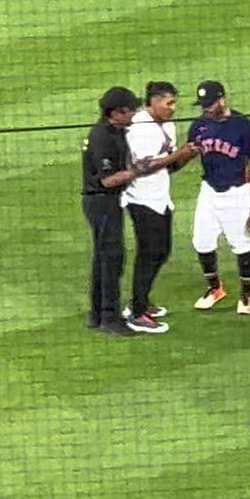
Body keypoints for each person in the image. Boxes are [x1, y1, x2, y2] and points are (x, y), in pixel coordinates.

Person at [121, 82, 198, 334]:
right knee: (149, 253)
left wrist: (190, 153)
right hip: (140, 199)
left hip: (160, 198)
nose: (173, 108)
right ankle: (137, 313)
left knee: (161, 251)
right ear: (153, 102)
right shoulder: (140, 127)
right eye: (169, 103)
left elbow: (170, 167)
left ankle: (139, 301)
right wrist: (179, 154)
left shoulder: (167, 125)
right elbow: (144, 166)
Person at [187, 80, 250, 315]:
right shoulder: (198, 125)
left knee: (241, 244)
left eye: (210, 104)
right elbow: (190, 151)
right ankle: (215, 289)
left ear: (222, 99)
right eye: (203, 105)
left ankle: (246, 294)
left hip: (238, 193)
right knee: (201, 242)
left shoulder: (243, 126)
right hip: (209, 191)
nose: (206, 109)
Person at [81, 87, 142, 337]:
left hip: (102, 202)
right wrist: (137, 171)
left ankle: (96, 314)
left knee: (102, 257)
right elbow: (107, 180)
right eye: (129, 110)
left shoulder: (112, 131)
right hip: (102, 202)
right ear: (114, 113)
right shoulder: (103, 138)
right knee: (112, 257)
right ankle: (110, 317)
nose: (134, 114)